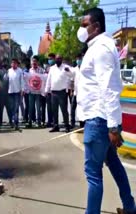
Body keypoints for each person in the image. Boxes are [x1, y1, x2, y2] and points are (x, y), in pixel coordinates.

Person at [77, 7, 136, 214]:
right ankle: (130, 207)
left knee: (93, 174)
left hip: (98, 120)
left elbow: (108, 89)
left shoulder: (100, 49)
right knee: (114, 163)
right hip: (102, 119)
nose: (81, 29)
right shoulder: (98, 47)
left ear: (96, 26)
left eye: (85, 25)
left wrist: (113, 127)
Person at [45, 54, 71, 133]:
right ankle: (56, 126)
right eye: (56, 58)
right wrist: (46, 90)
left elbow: (70, 77)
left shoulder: (66, 67)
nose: (58, 60)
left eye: (59, 58)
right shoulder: (52, 68)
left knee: (64, 110)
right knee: (54, 110)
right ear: (55, 59)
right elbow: (49, 79)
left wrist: (68, 88)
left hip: (62, 92)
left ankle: (67, 126)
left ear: (62, 59)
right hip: (53, 93)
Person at [27, 56, 45, 128]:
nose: (34, 62)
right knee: (31, 107)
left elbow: (44, 79)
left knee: (38, 108)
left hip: (38, 92)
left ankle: (39, 122)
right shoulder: (30, 70)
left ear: (37, 62)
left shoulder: (41, 70)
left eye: (35, 61)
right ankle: (30, 122)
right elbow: (28, 80)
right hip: (31, 92)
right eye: (32, 61)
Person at [7, 58, 24, 131]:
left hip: (17, 92)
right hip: (10, 92)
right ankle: (12, 122)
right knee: (11, 108)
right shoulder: (9, 71)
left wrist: (22, 90)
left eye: (15, 63)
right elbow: (7, 81)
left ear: (17, 64)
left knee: (16, 108)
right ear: (11, 64)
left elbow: (22, 81)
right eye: (12, 63)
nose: (13, 64)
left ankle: (16, 123)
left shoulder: (20, 71)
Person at [0, 61, 12, 126]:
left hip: (7, 93)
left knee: (9, 108)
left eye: (2, 64)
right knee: (0, 109)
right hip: (0, 93)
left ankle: (11, 121)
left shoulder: (7, 71)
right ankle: (0, 122)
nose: (2, 64)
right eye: (0, 64)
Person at [70, 53, 83, 128]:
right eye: (77, 59)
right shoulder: (74, 69)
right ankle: (72, 123)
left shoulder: (85, 69)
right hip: (75, 92)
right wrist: (71, 91)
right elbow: (72, 81)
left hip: (83, 93)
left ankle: (82, 123)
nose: (78, 60)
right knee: (72, 108)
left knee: (81, 109)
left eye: (80, 59)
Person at [44, 53, 56, 127]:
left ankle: (55, 121)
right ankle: (49, 121)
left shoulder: (55, 67)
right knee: (48, 107)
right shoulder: (47, 68)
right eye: (49, 59)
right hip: (48, 91)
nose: (49, 60)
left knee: (54, 107)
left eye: (51, 59)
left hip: (54, 90)